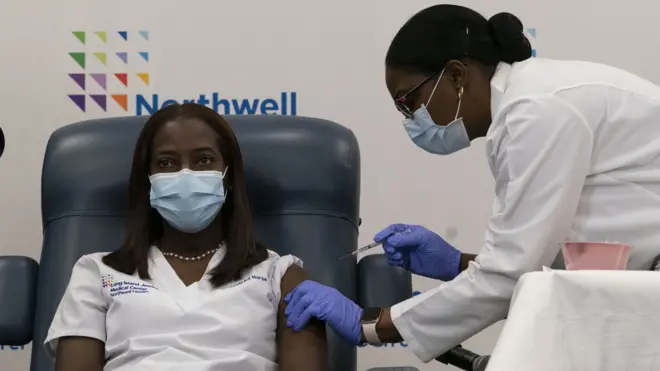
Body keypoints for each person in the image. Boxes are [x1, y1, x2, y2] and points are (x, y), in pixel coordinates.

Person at [284, 4, 660, 363]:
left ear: (456, 75)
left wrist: (369, 324)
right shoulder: (524, 111)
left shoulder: (537, 112)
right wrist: (458, 263)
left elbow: (511, 274)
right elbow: (532, 264)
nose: (410, 118)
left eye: (408, 101)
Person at [44, 103, 327, 371]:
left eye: (204, 160)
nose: (185, 175)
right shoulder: (96, 273)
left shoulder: (282, 276)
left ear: (228, 175)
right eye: (166, 163)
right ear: (148, 179)